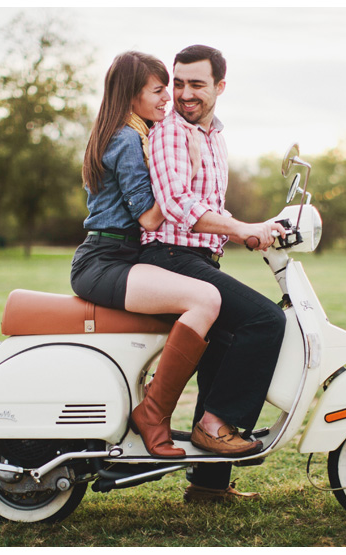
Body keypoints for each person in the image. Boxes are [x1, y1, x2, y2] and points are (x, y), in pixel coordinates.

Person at [140, 45, 288, 502]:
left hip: (200, 260)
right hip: (169, 255)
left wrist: (258, 228)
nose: (184, 94)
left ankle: (209, 484)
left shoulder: (214, 136)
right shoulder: (169, 131)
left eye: (196, 84)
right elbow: (179, 205)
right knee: (265, 320)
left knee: (224, 347)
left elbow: (213, 207)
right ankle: (213, 425)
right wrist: (244, 230)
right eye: (178, 83)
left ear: (220, 87)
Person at [70, 51, 221, 459]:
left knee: (207, 303)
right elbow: (152, 218)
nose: (167, 99)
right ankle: (152, 413)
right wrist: (188, 166)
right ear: (132, 95)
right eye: (158, 90)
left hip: (120, 257)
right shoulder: (124, 139)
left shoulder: (135, 133)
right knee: (204, 298)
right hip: (104, 261)